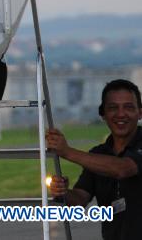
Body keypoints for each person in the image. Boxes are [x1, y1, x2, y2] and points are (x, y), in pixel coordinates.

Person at [47, 79, 142, 239]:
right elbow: (79, 200)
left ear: (140, 112)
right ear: (103, 114)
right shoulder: (98, 154)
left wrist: (67, 152)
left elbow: (123, 169)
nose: (121, 114)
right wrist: (62, 191)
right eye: (113, 108)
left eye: (128, 107)